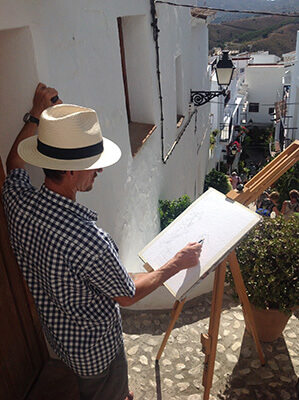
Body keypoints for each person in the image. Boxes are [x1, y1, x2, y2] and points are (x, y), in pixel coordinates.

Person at [2, 83, 202, 400]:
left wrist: (36, 117)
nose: (101, 168)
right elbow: (127, 294)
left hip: (62, 339)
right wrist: (177, 263)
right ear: (69, 170)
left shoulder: (19, 203)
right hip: (97, 352)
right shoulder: (89, 240)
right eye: (94, 162)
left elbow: (13, 163)